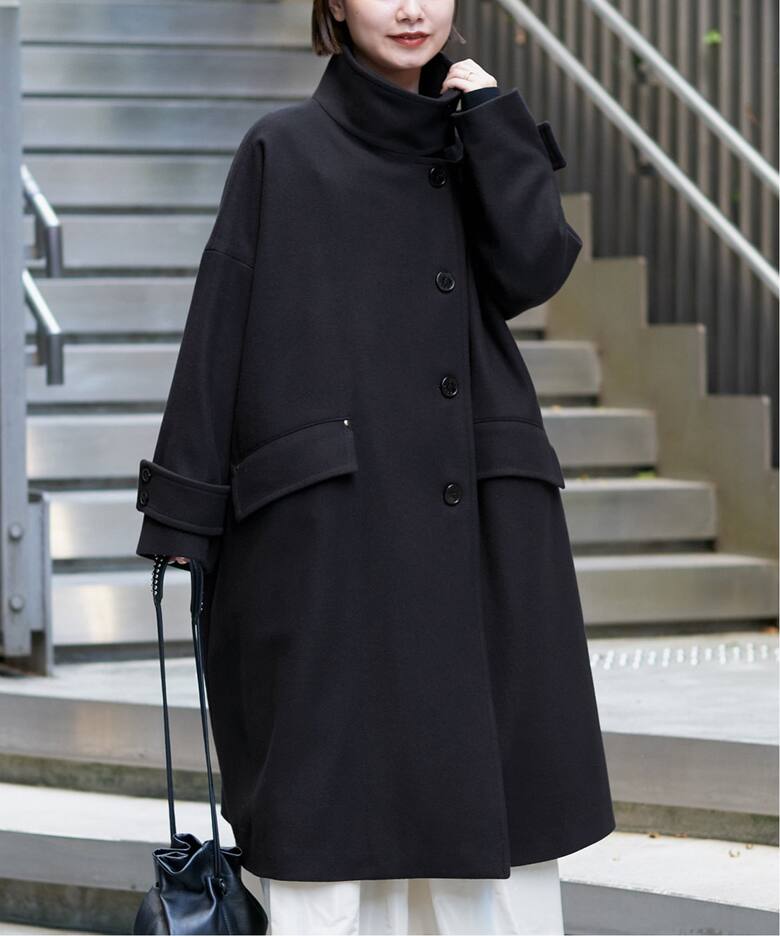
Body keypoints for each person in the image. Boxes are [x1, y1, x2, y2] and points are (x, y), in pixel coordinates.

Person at [135, 0, 616, 931]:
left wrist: (495, 124)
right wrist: (186, 513)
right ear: (333, 5)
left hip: (482, 535)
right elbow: (220, 322)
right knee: (331, 836)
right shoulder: (282, 150)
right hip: (331, 543)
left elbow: (533, 267)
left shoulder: (478, 137)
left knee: (491, 849)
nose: (409, 7)